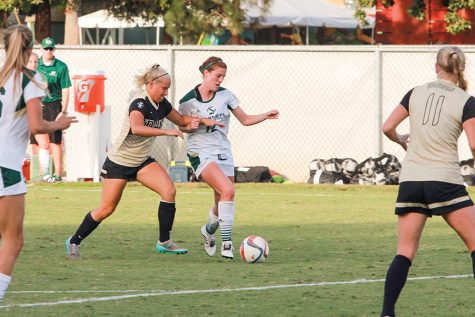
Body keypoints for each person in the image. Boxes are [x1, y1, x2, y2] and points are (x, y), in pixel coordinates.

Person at [65, 64, 222, 259]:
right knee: (106, 209)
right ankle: (74, 241)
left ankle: (164, 242)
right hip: (119, 163)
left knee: (169, 190)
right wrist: (166, 131)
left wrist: (205, 121)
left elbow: (181, 119)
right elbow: (137, 127)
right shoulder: (139, 103)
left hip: (141, 161)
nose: (166, 92)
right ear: (151, 84)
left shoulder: (162, 104)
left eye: (168, 88)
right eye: (164, 88)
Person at [380, 46, 475, 317]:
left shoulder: (415, 93)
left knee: (404, 252)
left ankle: (387, 313)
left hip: (411, 180)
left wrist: (400, 141)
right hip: (444, 181)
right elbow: (474, 142)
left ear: (436, 67)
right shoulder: (466, 100)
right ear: (461, 69)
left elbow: (387, 127)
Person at [0, 25, 76, 302]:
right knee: (12, 240)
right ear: (31, 49)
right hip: (6, 166)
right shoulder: (28, 80)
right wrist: (58, 123)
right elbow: (36, 125)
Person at [178, 56, 279, 259]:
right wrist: (193, 124)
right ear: (205, 74)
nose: (220, 80)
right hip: (200, 152)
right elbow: (181, 125)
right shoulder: (187, 101)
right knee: (228, 189)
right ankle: (227, 244)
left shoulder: (226, 96)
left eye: (223, 76)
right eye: (217, 76)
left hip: (223, 152)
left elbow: (246, 119)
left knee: (223, 199)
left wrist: (265, 116)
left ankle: (208, 231)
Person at [35, 37, 72, 183]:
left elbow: (66, 89)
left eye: (51, 48)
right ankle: (44, 174)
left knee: (55, 141)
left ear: (54, 49)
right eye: (46, 48)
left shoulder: (61, 66)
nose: (48, 51)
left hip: (54, 105)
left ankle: (57, 174)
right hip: (37, 105)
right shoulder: (35, 64)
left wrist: (63, 111)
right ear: (41, 49)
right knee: (41, 142)